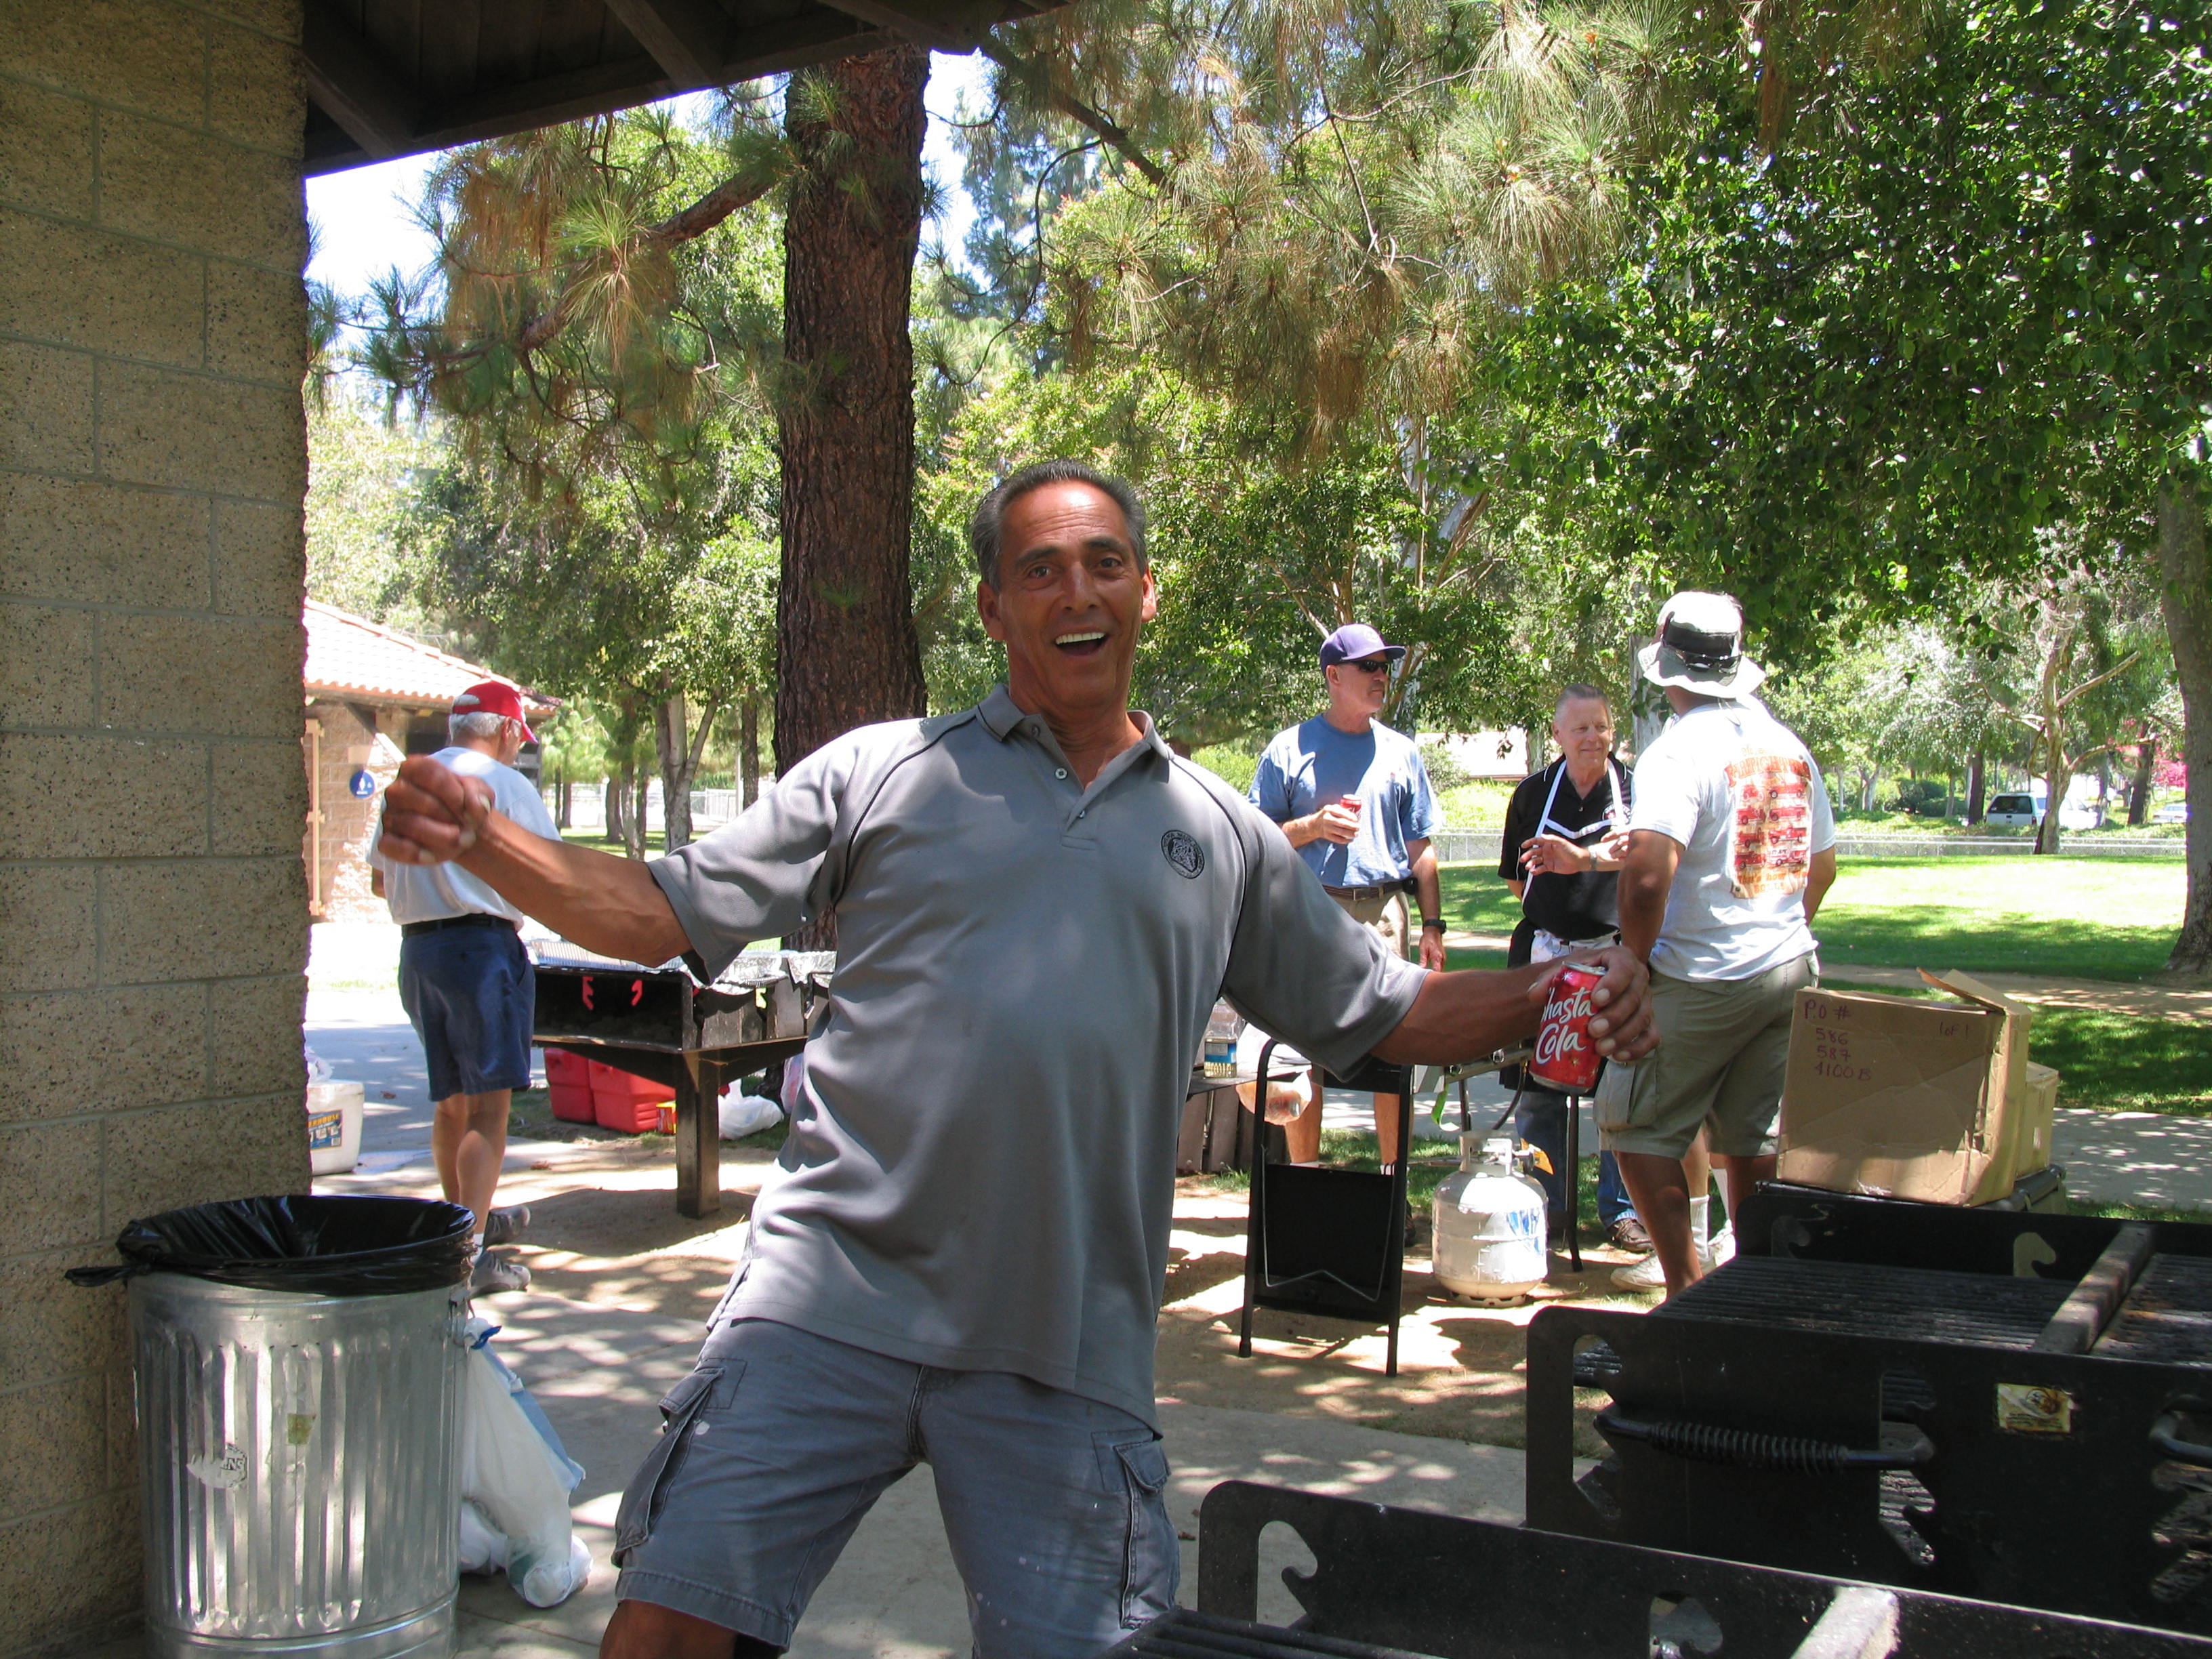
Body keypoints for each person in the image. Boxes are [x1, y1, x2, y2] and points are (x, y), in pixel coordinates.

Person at [371, 460, 1658, 1659]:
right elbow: (660, 908)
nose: (1076, 589)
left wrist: (1549, 984)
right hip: (829, 1301)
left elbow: (1383, 1012)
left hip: (1065, 1339)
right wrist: (487, 842)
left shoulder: (1216, 833)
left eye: (1103, 561)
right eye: (1039, 568)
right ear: (994, 605)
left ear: (1144, 592)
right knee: (664, 1631)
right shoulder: (883, 773)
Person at [1600, 592, 1838, 1297]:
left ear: (1667, 667)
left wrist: (1633, 963)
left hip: (1702, 974)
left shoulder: (1676, 752)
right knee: (1752, 1140)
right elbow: (1821, 867)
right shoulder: (1787, 744)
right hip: (1789, 967)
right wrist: (1777, 928)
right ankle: (1755, 1295)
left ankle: (1687, 1290)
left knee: (1633, 1121)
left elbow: (1645, 878)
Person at [368, 680, 559, 1296]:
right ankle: (470, 1257)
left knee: (451, 1103)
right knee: (489, 1108)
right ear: (507, 730)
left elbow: (379, 882)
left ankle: (460, 1226)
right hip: (482, 952)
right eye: (517, 738)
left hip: (420, 952)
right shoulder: (508, 786)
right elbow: (551, 875)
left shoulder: (410, 783)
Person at [1250, 623, 1449, 1165]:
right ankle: (1305, 1177)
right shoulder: (1288, 749)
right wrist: (1312, 827)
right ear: (1334, 676)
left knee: (1394, 1043)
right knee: (1302, 1046)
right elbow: (1256, 842)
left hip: (1386, 913)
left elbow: (1421, 850)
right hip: (1310, 911)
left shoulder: (1402, 753)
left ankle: (1391, 1188)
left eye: (1385, 666)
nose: (1381, 676)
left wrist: (1432, 926)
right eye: (1370, 667)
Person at [1498, 684, 1647, 1256]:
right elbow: (1518, 880)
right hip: (1545, 955)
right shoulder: (1533, 795)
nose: (1593, 739)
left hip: (1616, 954)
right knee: (1539, 1089)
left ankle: (1623, 1210)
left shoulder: (1635, 790)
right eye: (1580, 729)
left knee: (1619, 1088)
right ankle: (1547, 1204)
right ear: (1557, 735)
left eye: (1602, 727)